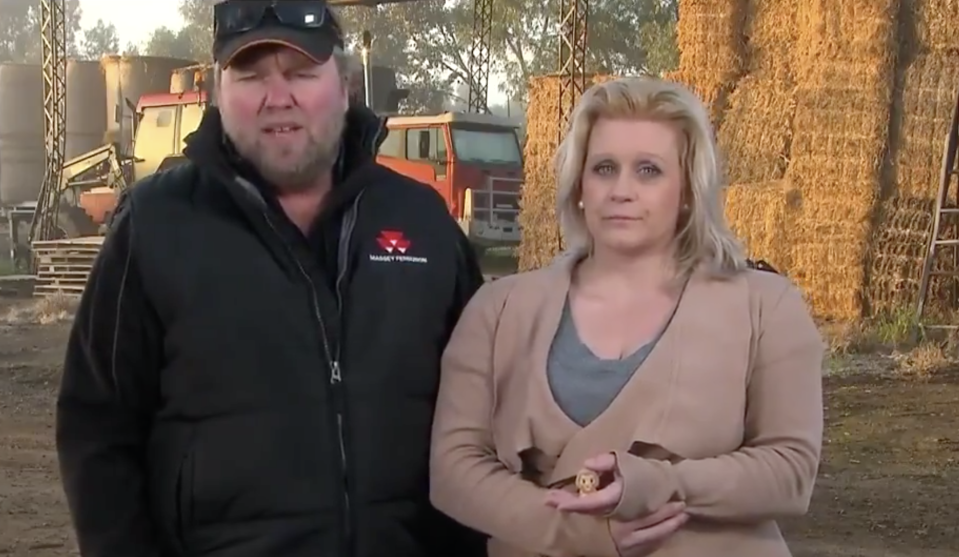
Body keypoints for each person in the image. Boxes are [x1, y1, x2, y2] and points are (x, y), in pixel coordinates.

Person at [55, 2, 486, 556]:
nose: (277, 97)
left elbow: (481, 417)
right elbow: (98, 428)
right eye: (250, 75)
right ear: (218, 89)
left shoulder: (422, 223)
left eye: (302, 73)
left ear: (346, 85)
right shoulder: (156, 226)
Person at [430, 76, 824, 557]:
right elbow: (454, 468)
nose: (621, 190)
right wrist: (581, 535)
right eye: (604, 168)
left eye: (648, 171)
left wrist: (659, 483)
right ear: (579, 185)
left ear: (686, 190)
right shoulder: (498, 309)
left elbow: (790, 471)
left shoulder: (767, 307)